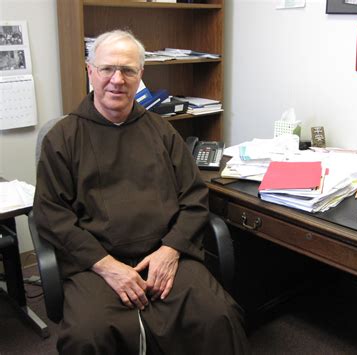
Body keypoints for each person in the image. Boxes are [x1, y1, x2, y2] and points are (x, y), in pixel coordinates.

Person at [33, 29, 248, 354]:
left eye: (128, 70)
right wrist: (107, 265)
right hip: (95, 263)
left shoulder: (163, 132)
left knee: (218, 316)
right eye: (107, 69)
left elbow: (193, 199)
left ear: (140, 76)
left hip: (164, 254)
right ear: (90, 71)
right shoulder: (63, 138)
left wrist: (170, 251)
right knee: (88, 335)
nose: (117, 79)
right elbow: (52, 216)